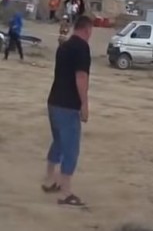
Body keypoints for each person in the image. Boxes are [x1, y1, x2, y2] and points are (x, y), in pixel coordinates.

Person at [42, 15, 93, 206]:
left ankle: (50, 180)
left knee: (58, 142)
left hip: (54, 101)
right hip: (68, 105)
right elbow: (81, 77)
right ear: (87, 30)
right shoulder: (82, 48)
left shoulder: (63, 46)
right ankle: (66, 193)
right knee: (71, 148)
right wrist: (84, 104)